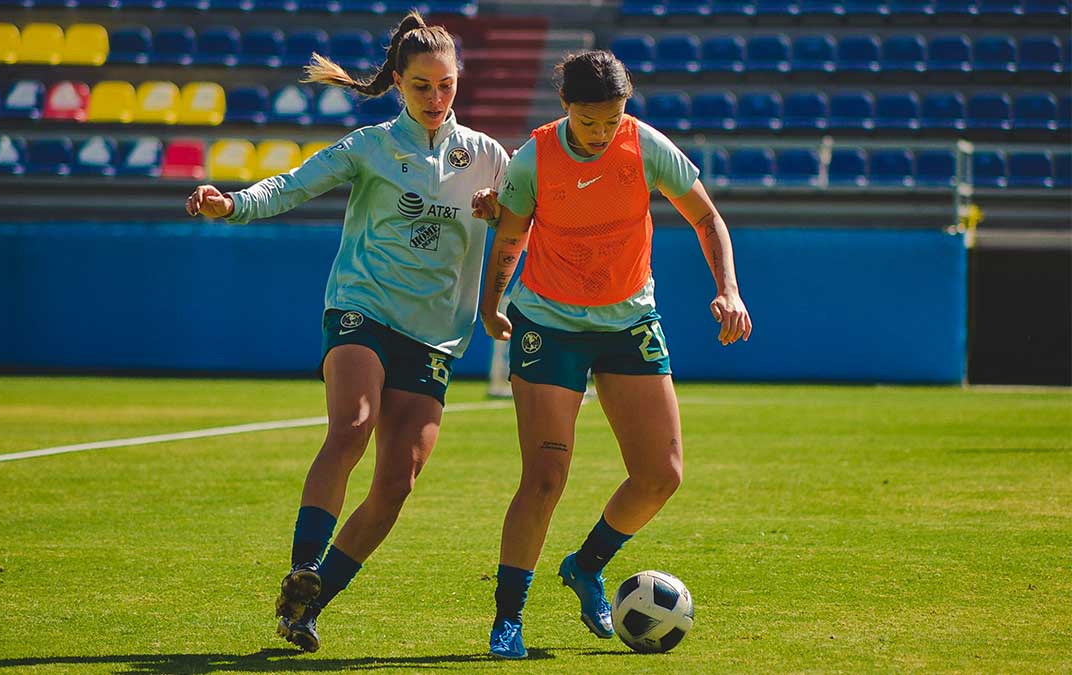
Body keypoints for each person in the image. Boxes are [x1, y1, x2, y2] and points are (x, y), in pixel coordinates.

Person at [185, 11, 509, 653]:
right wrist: (233, 205)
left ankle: (305, 605)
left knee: (397, 483)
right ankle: (305, 560)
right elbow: (291, 185)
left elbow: (527, 221)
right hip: (362, 308)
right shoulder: (369, 147)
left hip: (437, 335)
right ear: (397, 83)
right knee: (353, 425)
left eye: (446, 85)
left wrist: (501, 218)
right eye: (422, 86)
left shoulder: (491, 158)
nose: (436, 98)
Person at [475, 50, 753, 659]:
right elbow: (512, 235)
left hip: (628, 321)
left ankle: (585, 564)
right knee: (545, 476)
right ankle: (508, 619)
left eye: (612, 119)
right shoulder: (533, 159)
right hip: (547, 324)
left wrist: (728, 290)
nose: (601, 132)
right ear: (566, 108)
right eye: (588, 120)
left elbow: (707, 218)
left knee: (662, 474)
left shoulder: (646, 146)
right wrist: (493, 303)